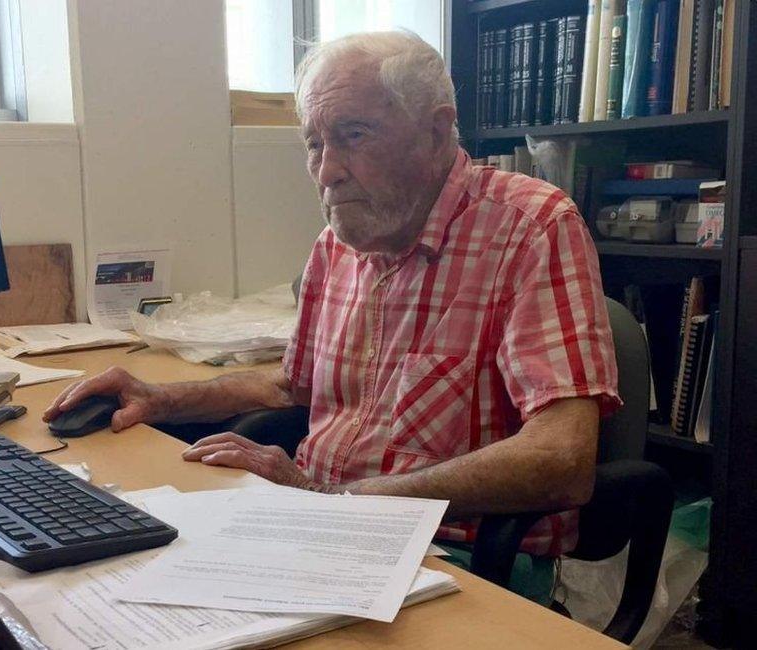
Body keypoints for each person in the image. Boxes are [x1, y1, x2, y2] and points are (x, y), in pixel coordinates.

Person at [44, 31, 620, 603]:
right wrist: (160, 398)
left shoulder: (530, 228)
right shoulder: (336, 246)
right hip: (309, 523)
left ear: (436, 131)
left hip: (456, 559)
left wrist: (335, 501)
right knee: (107, 585)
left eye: (353, 136)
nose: (327, 172)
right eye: (314, 144)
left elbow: (561, 458)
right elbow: (291, 384)